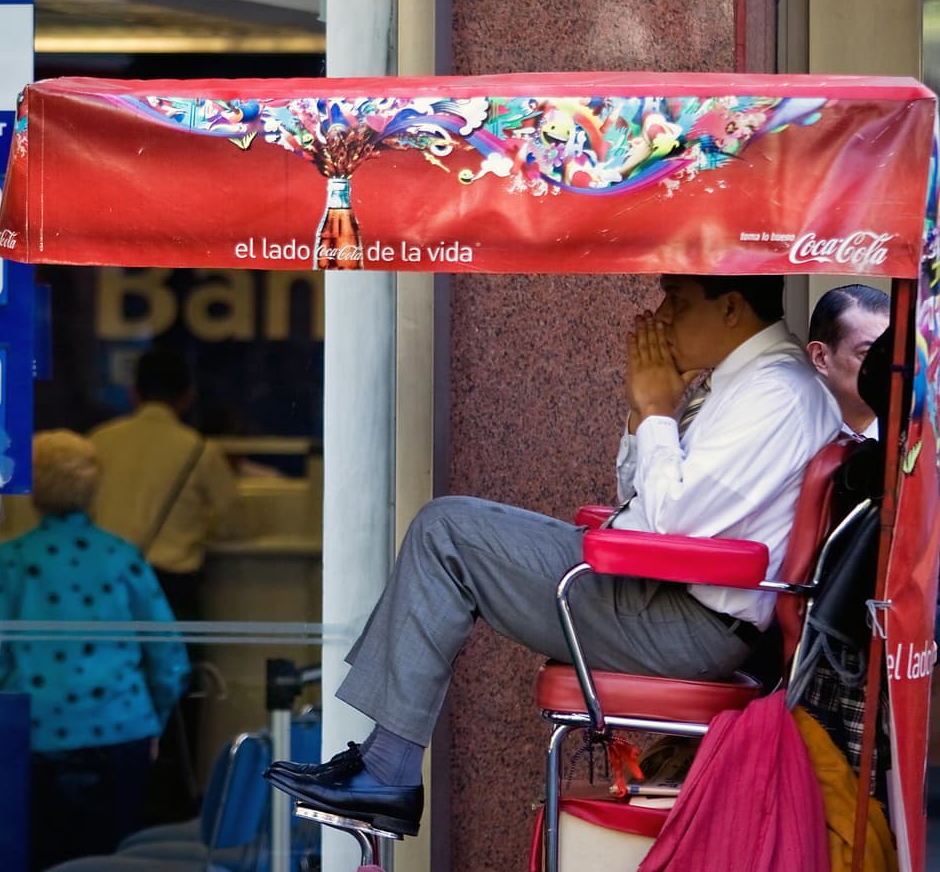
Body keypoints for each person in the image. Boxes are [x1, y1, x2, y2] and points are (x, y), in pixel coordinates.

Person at [265, 274, 842, 836]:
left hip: (687, 621)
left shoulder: (778, 393)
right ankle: (381, 762)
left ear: (731, 307)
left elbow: (672, 520)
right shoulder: (747, 383)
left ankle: (386, 770)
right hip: (664, 597)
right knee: (449, 527)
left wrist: (659, 411)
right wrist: (646, 414)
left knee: (446, 532)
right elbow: (639, 497)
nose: (660, 316)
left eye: (676, 298)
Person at [0, 430, 190, 869]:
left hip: (32, 736)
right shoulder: (122, 558)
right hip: (121, 731)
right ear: (92, 488)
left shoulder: (9, 562)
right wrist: (153, 721)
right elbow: (169, 657)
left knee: (40, 855)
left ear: (33, 490)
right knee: (114, 857)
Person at [87, 346, 242, 623]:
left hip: (104, 578)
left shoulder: (98, 441)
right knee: (174, 664)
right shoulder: (200, 450)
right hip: (171, 586)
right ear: (187, 397)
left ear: (134, 393)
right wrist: (202, 526)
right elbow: (235, 521)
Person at [806, 284, 890, 440]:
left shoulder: (921, 438)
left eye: (896, 354)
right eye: (869, 354)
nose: (888, 367)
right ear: (820, 357)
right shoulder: (791, 438)